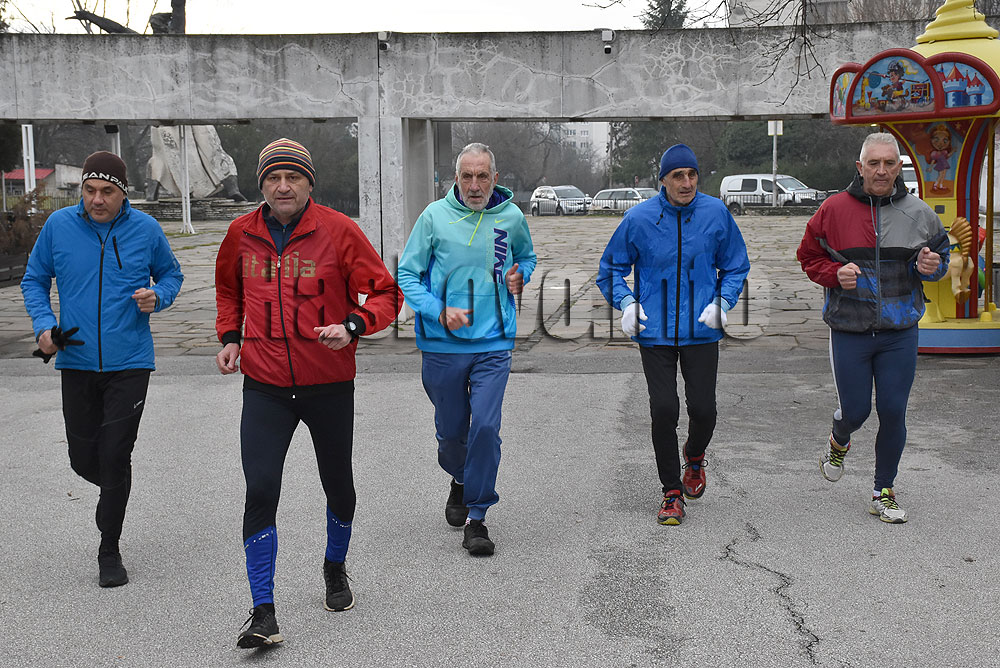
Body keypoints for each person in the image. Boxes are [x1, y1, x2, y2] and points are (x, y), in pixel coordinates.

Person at [214, 138, 402, 648]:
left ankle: (334, 566)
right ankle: (263, 611)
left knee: (338, 486)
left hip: (328, 384)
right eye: (273, 178)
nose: (283, 186)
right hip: (266, 387)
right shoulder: (240, 233)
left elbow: (386, 292)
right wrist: (230, 337)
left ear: (308, 183)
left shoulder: (338, 230)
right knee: (260, 489)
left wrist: (353, 325)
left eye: (292, 177)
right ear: (261, 185)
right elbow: (229, 289)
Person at [20, 151, 184, 587]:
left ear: (123, 193)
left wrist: (158, 296)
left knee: (114, 452)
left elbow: (172, 275)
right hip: (75, 359)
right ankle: (115, 484)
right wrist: (43, 327)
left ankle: (108, 548)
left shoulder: (145, 229)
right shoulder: (59, 226)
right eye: (90, 190)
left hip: (130, 361)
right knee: (82, 459)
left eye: (107, 191)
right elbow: (34, 279)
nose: (97, 199)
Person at [797, 132, 949, 524]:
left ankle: (884, 491)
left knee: (894, 411)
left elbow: (941, 256)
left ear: (899, 168)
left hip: (900, 330)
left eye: (889, 163)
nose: (882, 171)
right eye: (874, 163)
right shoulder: (833, 210)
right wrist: (834, 274)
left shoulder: (920, 213)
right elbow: (808, 256)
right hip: (850, 328)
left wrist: (932, 267)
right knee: (856, 411)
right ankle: (839, 437)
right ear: (860, 167)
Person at [597, 143, 750, 526]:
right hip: (656, 331)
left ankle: (694, 457)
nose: (686, 182)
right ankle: (671, 492)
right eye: (678, 175)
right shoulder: (639, 219)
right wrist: (627, 304)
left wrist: (722, 303)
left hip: (702, 329)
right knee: (664, 409)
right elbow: (610, 270)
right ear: (662, 180)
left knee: (704, 411)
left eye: (692, 174)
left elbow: (736, 266)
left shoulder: (716, 213)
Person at [397, 142, 536, 557]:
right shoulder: (433, 217)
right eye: (467, 176)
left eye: (482, 176)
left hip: (493, 341)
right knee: (451, 433)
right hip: (443, 344)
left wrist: (520, 276)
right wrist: (437, 311)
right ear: (455, 178)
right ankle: (460, 478)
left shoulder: (511, 217)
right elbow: (407, 274)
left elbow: (527, 258)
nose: (475, 185)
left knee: (486, 428)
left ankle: (477, 516)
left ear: (495, 178)